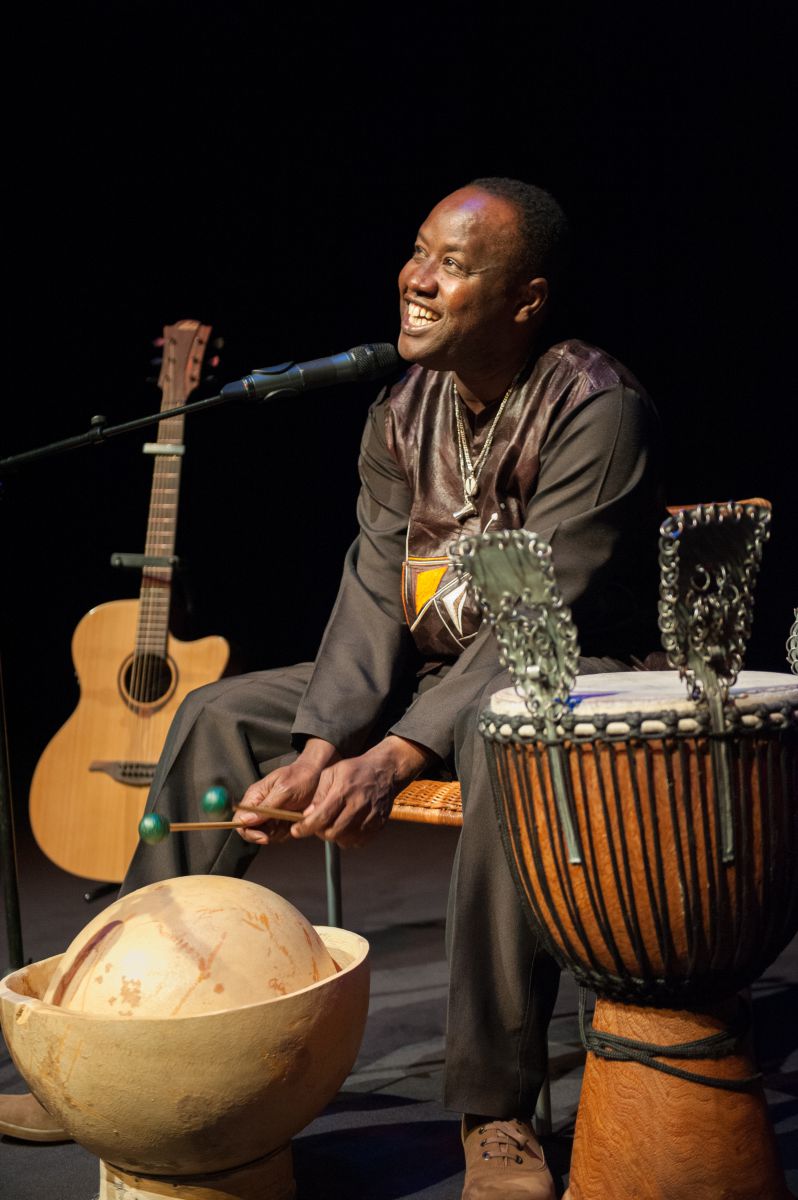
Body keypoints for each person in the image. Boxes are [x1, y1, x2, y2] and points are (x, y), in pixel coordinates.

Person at [1, 177, 663, 1198]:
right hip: (435, 666)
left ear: (525, 299)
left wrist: (394, 755)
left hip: (566, 674)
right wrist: (320, 743)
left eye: (453, 264)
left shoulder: (594, 404)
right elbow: (370, 592)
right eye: (417, 252)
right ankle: (106, 1051)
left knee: (499, 730)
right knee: (218, 712)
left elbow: (552, 612)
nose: (417, 278)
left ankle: (497, 1109)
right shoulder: (402, 412)